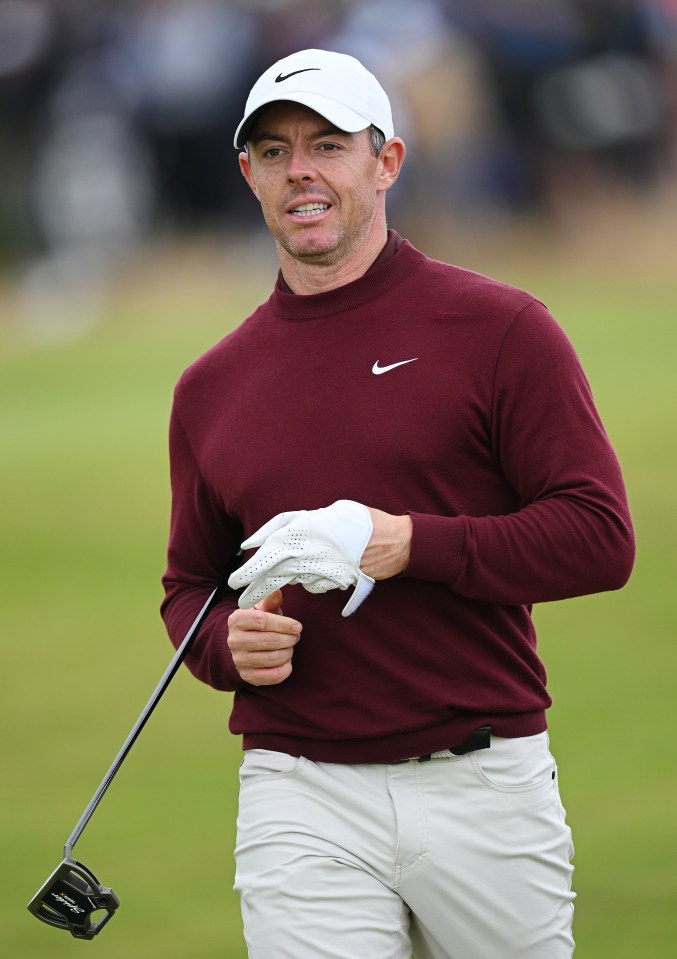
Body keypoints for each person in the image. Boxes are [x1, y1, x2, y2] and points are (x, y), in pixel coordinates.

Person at [161, 48, 635, 959]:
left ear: (386, 163)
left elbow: (597, 539)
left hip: (482, 778)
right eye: (272, 150)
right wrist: (228, 643)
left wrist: (401, 543)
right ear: (247, 174)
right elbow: (191, 586)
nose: (300, 170)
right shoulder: (210, 386)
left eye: (328, 145)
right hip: (298, 786)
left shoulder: (500, 329)